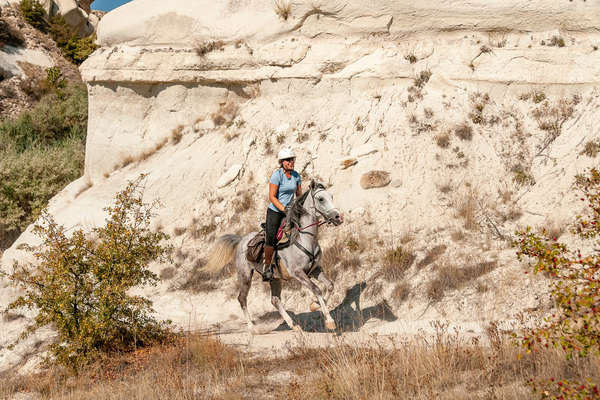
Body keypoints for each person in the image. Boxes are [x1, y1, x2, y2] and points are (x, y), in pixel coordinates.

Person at [262, 147, 302, 281]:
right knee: (271, 238)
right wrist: (284, 209)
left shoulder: (296, 176)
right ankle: (267, 267)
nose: (291, 162)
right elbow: (272, 196)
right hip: (275, 211)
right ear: (282, 162)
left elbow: (299, 195)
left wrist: (299, 209)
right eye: (288, 160)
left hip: (290, 210)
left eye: (292, 159)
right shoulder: (277, 175)